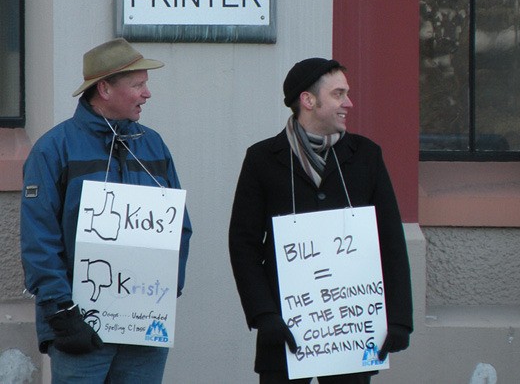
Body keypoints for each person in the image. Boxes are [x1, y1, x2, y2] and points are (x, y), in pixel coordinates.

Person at [229, 58, 413, 383]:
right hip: (284, 335)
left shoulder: (366, 156)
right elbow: (243, 243)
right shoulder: (262, 159)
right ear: (308, 100)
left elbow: (390, 240)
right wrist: (264, 314)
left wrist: (398, 318)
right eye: (339, 94)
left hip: (349, 335)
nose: (349, 103)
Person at [20, 38, 193, 383]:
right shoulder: (54, 149)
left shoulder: (153, 144)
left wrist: (163, 289)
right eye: (138, 85)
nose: (147, 94)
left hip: (144, 327)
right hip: (77, 326)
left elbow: (179, 226)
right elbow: (39, 236)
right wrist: (61, 311)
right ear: (104, 89)